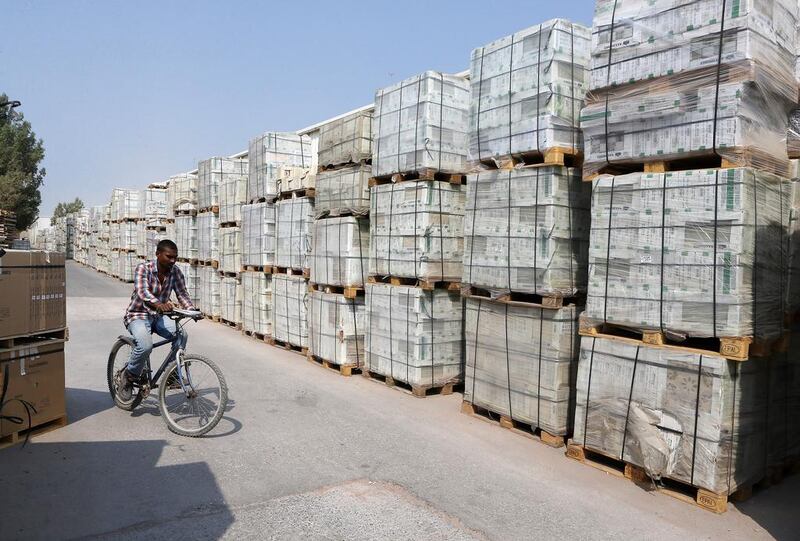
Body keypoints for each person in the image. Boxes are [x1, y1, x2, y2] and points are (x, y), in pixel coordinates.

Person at [118, 239, 196, 400]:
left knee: (182, 335)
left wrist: (192, 311)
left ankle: (171, 374)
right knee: (145, 346)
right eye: (169, 257)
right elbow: (143, 293)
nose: (173, 261)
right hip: (137, 315)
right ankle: (129, 375)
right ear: (158, 254)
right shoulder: (143, 269)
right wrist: (159, 304)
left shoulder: (175, 272)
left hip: (159, 317)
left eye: (175, 257)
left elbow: (182, 293)